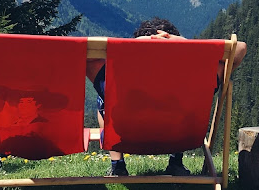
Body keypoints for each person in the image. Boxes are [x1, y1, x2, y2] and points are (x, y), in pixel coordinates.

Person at [85, 17, 247, 176]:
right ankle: (176, 162)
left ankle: (117, 166)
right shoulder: (199, 78)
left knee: (104, 100)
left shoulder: (119, 83)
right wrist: (182, 42)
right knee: (184, 106)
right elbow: (239, 48)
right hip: (179, 136)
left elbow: (85, 54)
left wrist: (140, 43)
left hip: (128, 137)